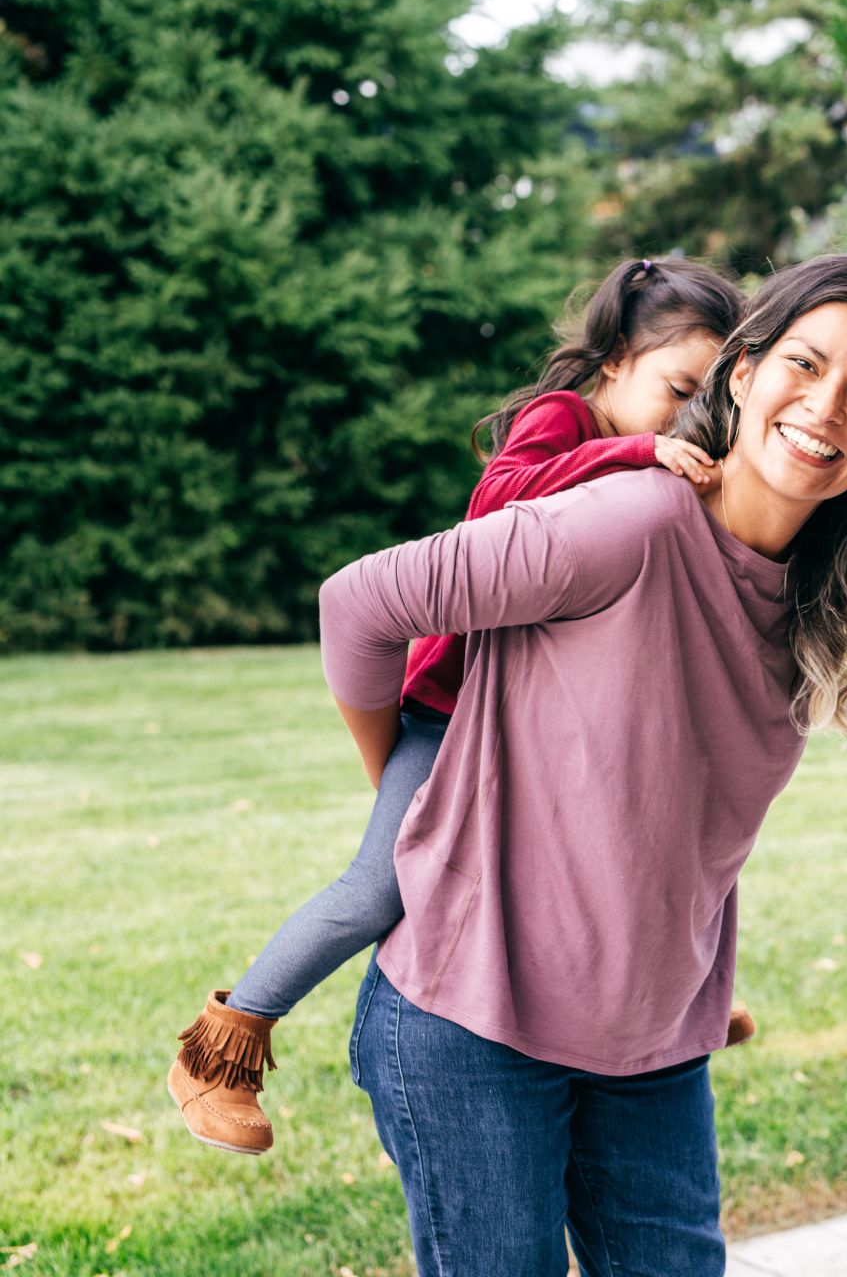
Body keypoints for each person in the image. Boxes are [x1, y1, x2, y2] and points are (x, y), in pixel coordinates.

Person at [326, 252, 847, 1275]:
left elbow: (677, 821)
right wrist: (416, 787)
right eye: (804, 363)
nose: (825, 405)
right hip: (472, 1017)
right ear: (741, 375)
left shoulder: (815, 612)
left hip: (649, 1046)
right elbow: (360, 603)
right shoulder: (631, 521)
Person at [167, 257, 747, 1156]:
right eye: (676, 389)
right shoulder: (563, 420)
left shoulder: (663, 458)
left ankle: (674, 998)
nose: (685, 420)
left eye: (706, 404)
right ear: (615, 364)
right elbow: (497, 500)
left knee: (632, 837)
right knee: (377, 889)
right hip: (454, 711)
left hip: (539, 717)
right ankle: (223, 1046)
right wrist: (633, 451)